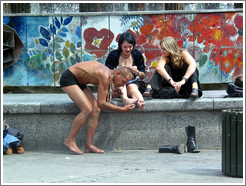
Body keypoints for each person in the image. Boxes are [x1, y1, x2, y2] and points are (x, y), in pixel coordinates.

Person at [59, 61, 135, 154]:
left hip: (80, 83)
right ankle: (70, 139)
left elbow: (102, 100)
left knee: (96, 109)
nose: (123, 85)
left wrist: (113, 95)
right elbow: (101, 103)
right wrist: (122, 109)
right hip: (69, 78)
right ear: (118, 73)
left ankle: (89, 145)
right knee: (87, 109)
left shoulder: (109, 77)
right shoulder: (106, 75)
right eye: (123, 82)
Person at [105, 32, 147, 110]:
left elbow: (143, 75)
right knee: (122, 82)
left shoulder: (136, 54)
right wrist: (118, 71)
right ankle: (125, 99)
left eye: (130, 47)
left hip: (133, 83)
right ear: (120, 45)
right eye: (125, 47)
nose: (128, 49)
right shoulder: (113, 55)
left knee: (132, 87)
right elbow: (106, 73)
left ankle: (140, 101)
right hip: (117, 84)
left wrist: (137, 72)